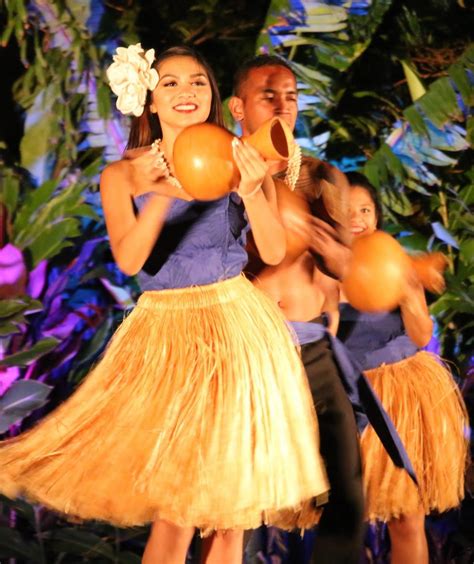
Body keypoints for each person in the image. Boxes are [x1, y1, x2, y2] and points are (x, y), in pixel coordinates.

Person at [0, 45, 330, 563]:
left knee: (231, 512)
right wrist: (160, 194)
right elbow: (130, 261)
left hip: (236, 331)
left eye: (197, 82)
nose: (186, 92)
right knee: (176, 511)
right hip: (167, 339)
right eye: (170, 83)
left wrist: (249, 190)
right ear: (150, 101)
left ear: (213, 95)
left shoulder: (242, 158)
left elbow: (269, 251)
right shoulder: (123, 175)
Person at [229, 55, 415, 564]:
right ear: (237, 106)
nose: (283, 105)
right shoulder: (218, 173)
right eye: (269, 94)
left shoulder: (320, 176)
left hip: (311, 344)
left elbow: (346, 267)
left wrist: (322, 241)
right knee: (234, 489)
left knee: (345, 482)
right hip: (252, 347)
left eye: (291, 95)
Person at [338, 171, 469, 564]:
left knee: (406, 517)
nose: (359, 219)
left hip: (399, 398)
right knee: (341, 520)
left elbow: (420, 332)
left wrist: (411, 290)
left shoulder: (391, 258)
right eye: (348, 211)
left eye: (365, 210)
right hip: (343, 396)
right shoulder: (317, 265)